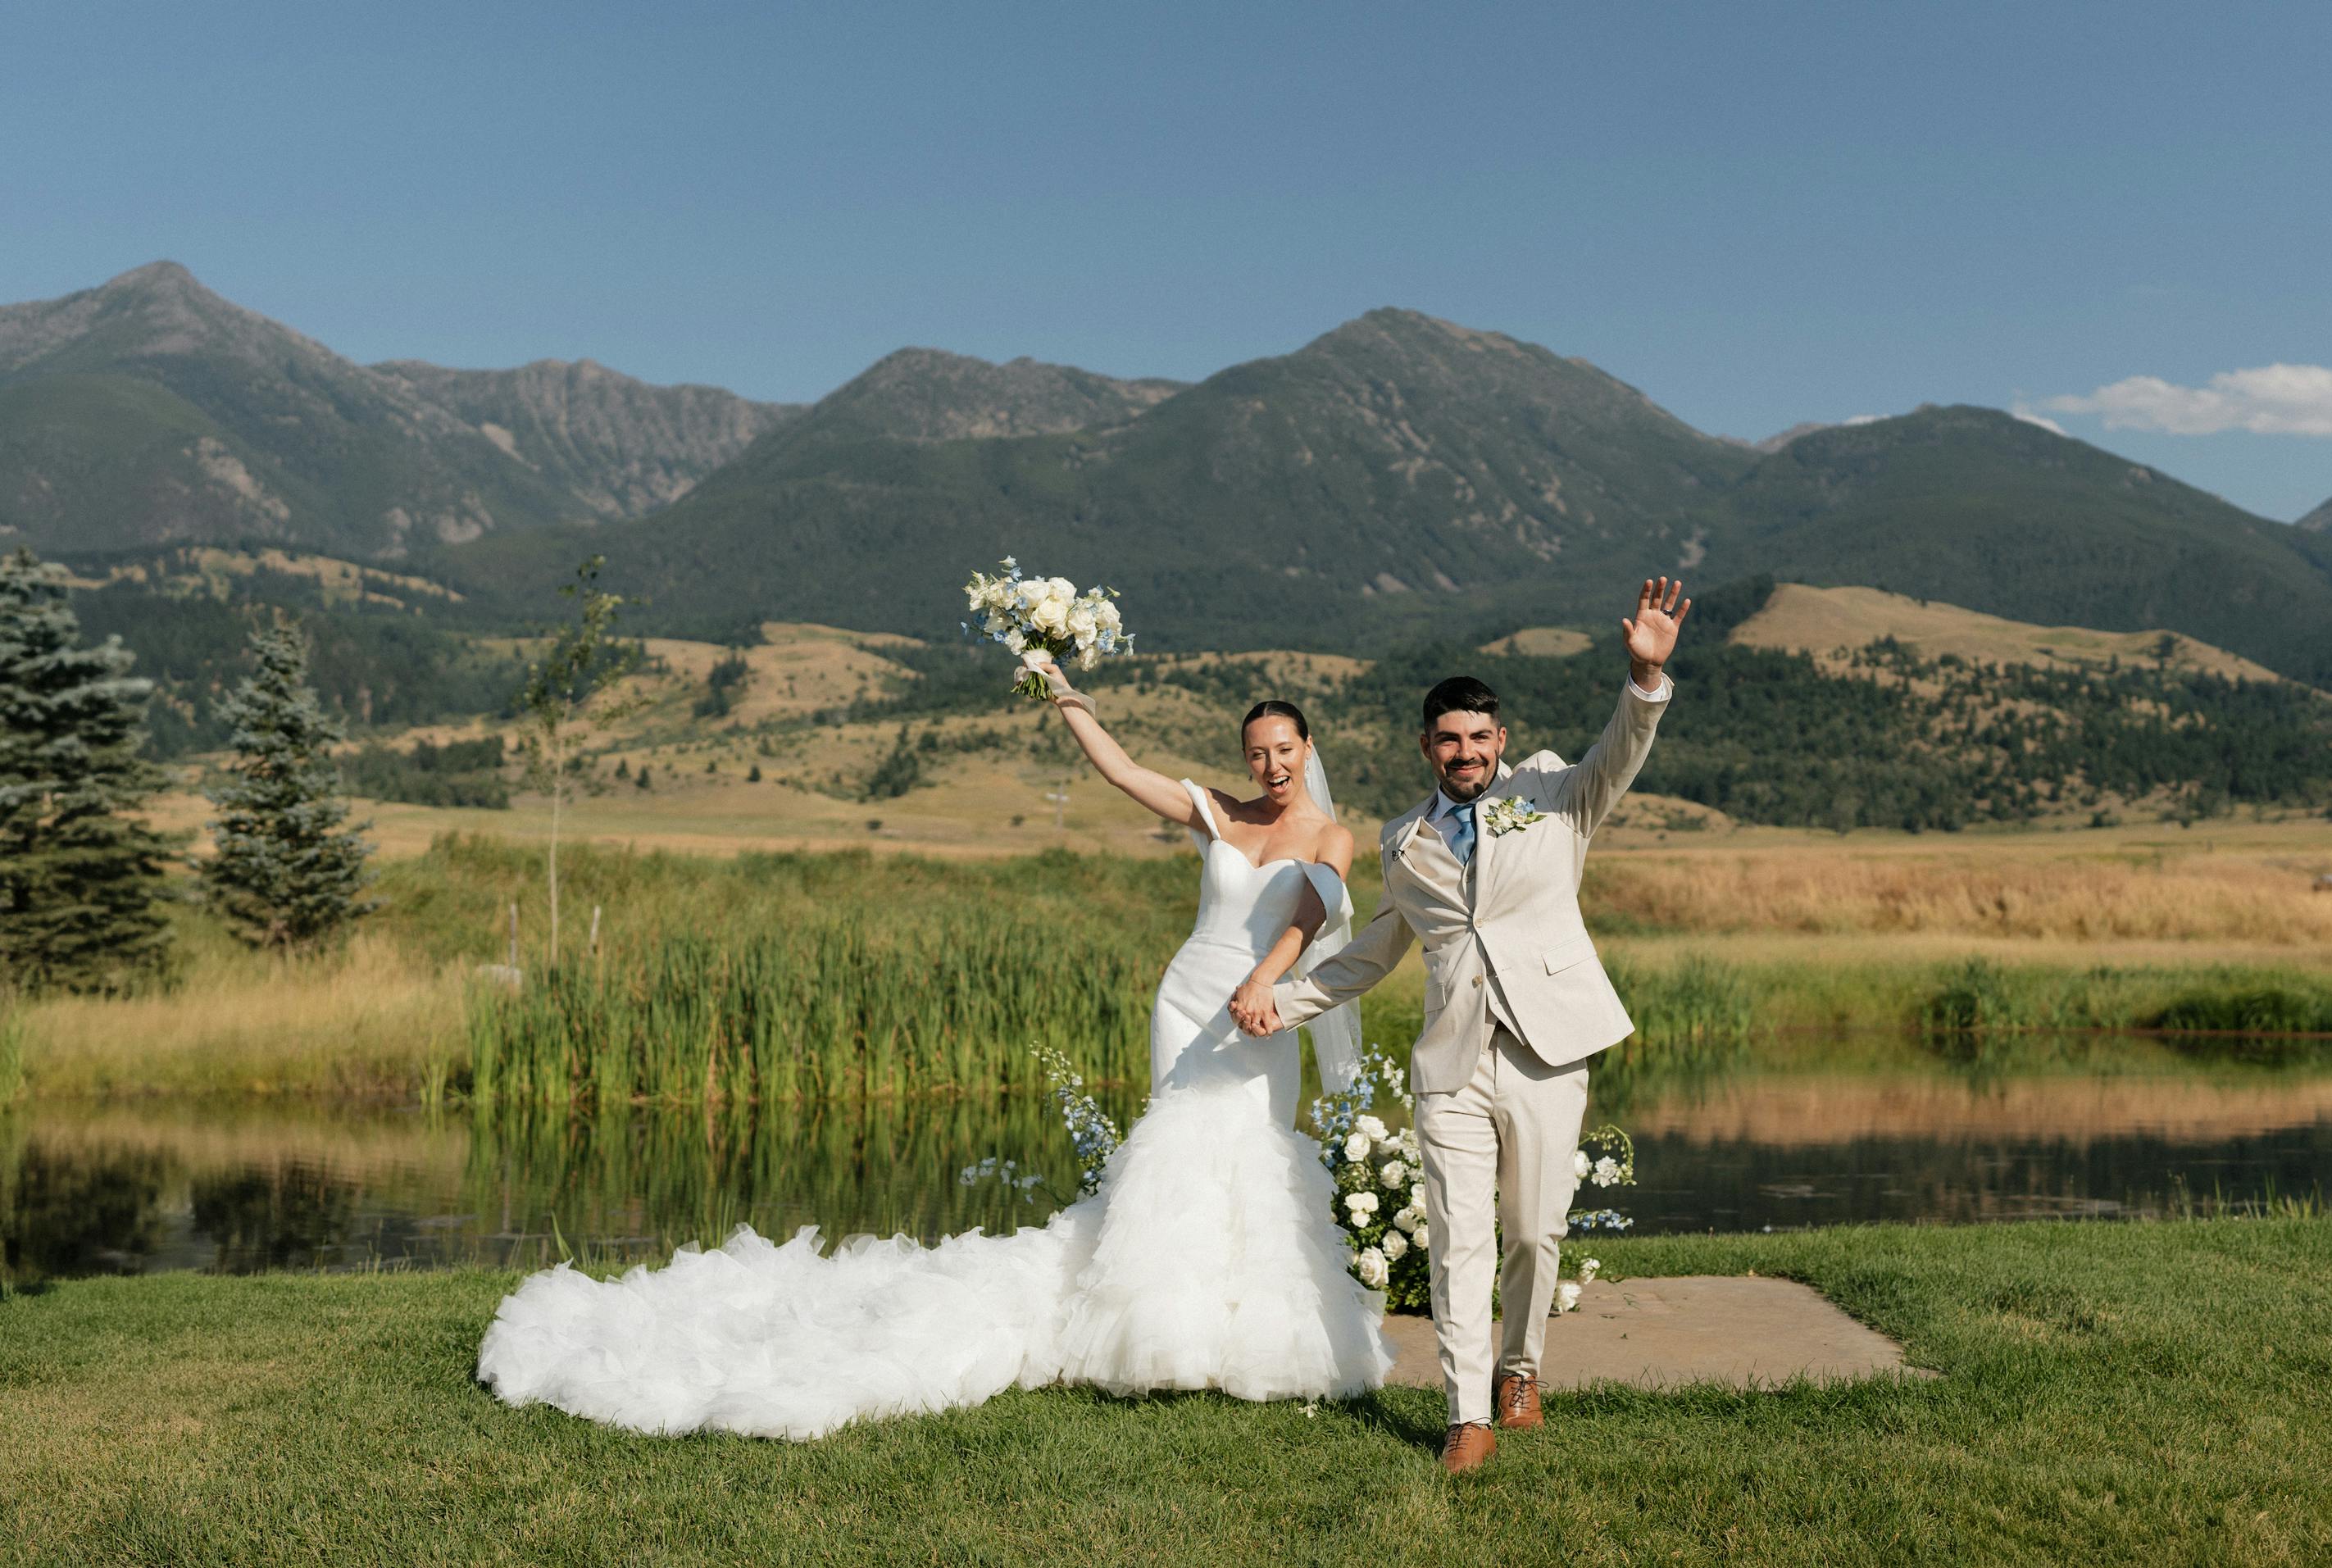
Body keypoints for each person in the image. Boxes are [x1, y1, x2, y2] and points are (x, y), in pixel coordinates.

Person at [477, 684, 1393, 1439]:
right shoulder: (1215, 813)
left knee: (1248, 1149)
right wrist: (1066, 694)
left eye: (1282, 749)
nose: (1268, 766)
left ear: (1308, 747)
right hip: (1186, 995)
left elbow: (1312, 915)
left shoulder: (1330, 836)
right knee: (1175, 1154)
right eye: (1255, 752)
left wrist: (1268, 984)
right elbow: (1116, 769)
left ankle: (1251, 1335)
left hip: (1262, 1007)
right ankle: (1164, 1333)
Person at [1234, 576, 1689, 1476]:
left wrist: (1643, 678)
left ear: (1500, 741)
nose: (1465, 750)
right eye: (1449, 738)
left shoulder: (1558, 794)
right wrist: (1276, 1002)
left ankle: (1521, 1368)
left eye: (1480, 736)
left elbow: (1622, 751)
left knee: (1532, 1231)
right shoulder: (1403, 842)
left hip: (1546, 1049)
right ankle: (1466, 1413)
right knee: (1457, 1236)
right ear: (1427, 747)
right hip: (1450, 1062)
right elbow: (1370, 953)